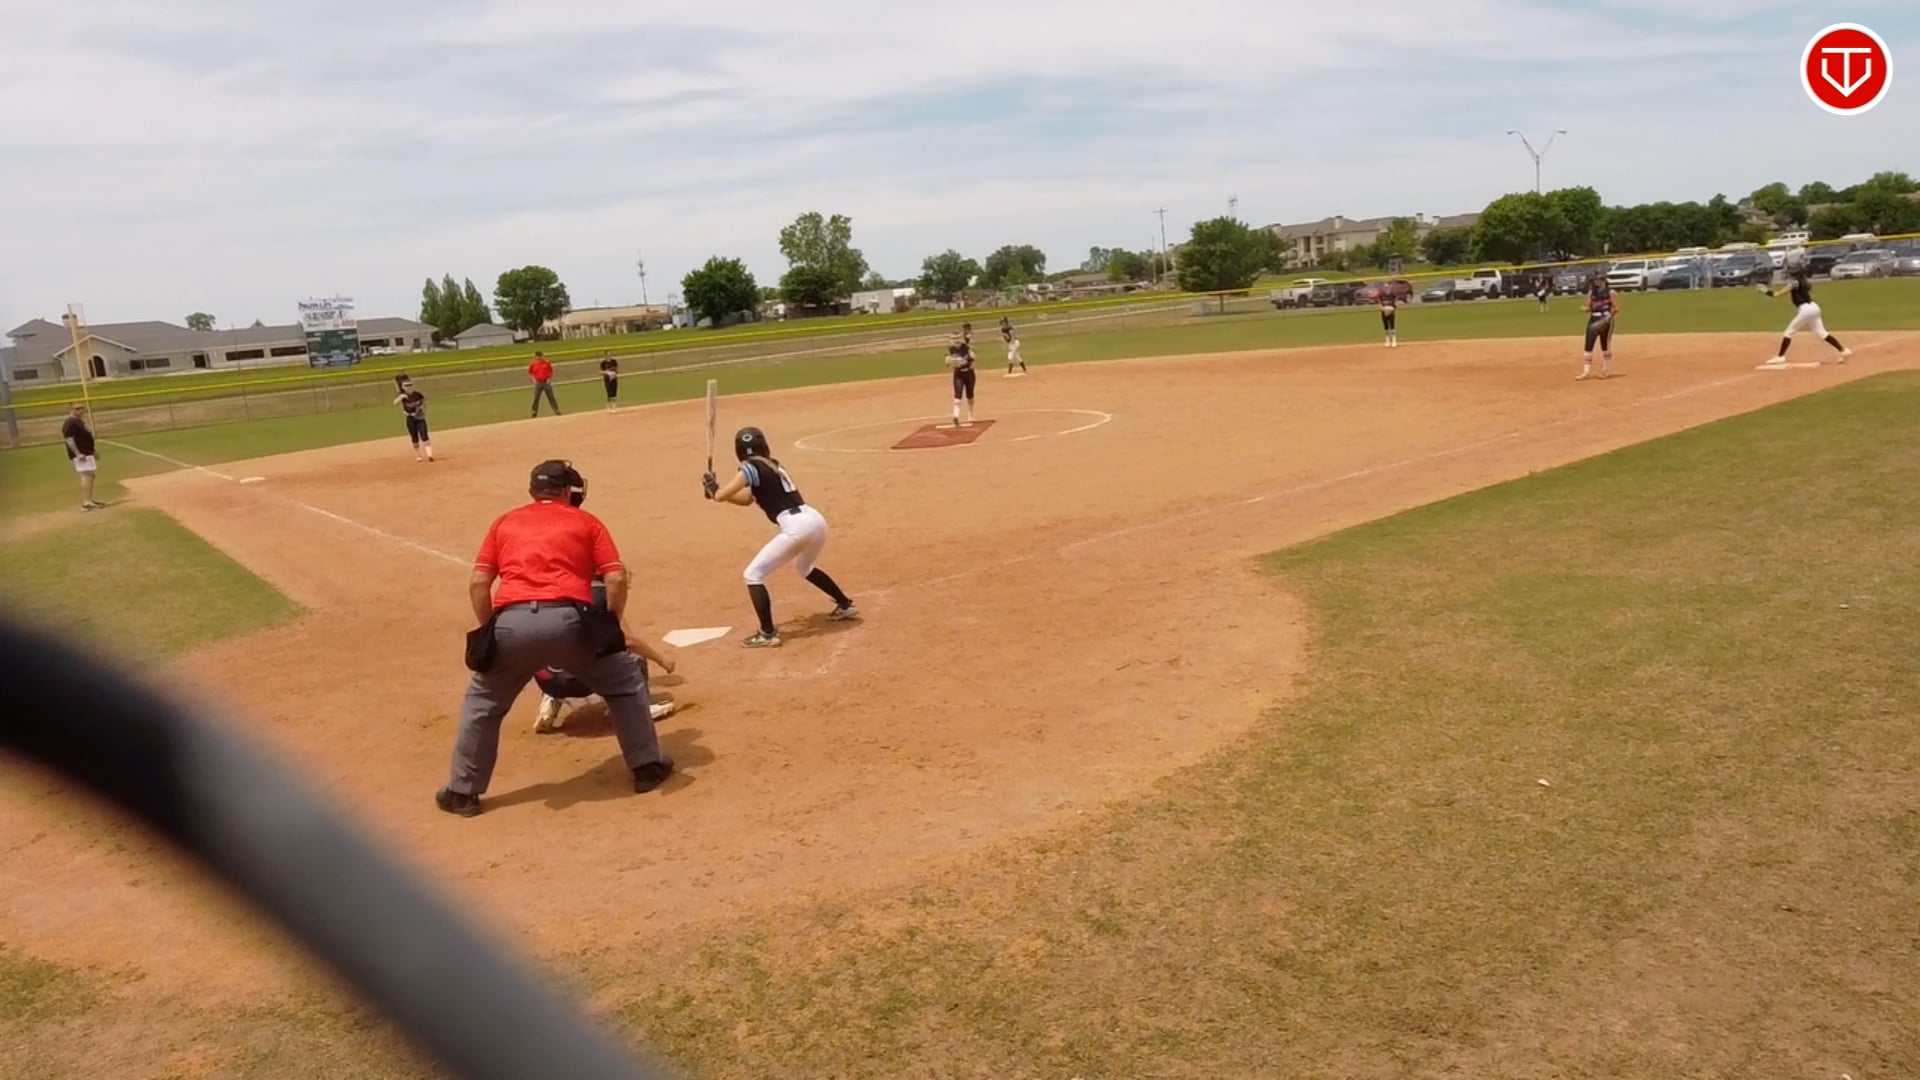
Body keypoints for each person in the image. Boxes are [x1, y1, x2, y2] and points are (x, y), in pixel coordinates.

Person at [437, 460, 673, 817]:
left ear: (533, 490)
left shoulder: (504, 522)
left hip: (511, 624)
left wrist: (491, 631)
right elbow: (615, 578)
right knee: (624, 684)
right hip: (569, 622)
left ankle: (462, 792)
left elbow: (479, 584)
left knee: (482, 703)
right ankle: (647, 768)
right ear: (566, 491)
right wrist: (608, 622)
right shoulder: (586, 521)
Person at [702, 426, 858, 649]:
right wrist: (716, 492)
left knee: (753, 575)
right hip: (815, 520)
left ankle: (767, 634)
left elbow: (722, 494)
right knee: (804, 567)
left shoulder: (749, 467)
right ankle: (845, 605)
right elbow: (746, 499)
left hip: (797, 526)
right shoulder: (773, 465)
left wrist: (714, 490)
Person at [533, 582, 681, 732]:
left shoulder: (551, 593)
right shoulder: (599, 597)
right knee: (630, 654)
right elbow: (628, 641)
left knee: (556, 646)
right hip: (582, 681)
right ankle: (632, 710)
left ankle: (551, 699)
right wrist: (662, 661)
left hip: (547, 681)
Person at [1759, 260, 1851, 368]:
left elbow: (1777, 295)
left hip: (1805, 309)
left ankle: (1780, 357)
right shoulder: (1806, 282)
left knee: (1788, 332)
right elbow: (1806, 295)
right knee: (1822, 333)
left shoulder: (1794, 283)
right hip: (1814, 307)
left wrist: (1764, 291)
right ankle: (1843, 350)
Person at [1576, 272, 1619, 381]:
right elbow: (1589, 307)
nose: (1596, 282)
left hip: (1606, 319)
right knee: (1588, 344)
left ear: (1603, 280)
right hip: (1593, 319)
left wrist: (1608, 318)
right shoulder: (1592, 293)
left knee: (1605, 345)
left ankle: (1606, 371)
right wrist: (1586, 309)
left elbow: (1616, 308)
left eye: (1598, 280)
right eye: (1595, 280)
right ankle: (1586, 372)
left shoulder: (1611, 292)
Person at [60, 403, 103, 512]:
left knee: (90, 475)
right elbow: (69, 439)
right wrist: (78, 453)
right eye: (78, 408)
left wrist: (93, 451)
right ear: (71, 410)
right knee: (87, 475)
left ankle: (89, 500)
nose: (81, 410)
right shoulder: (70, 423)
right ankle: (87, 503)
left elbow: (86, 437)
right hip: (81, 455)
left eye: (82, 408)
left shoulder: (79, 421)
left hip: (86, 452)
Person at [392, 374, 434, 462]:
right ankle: (418, 455)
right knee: (414, 438)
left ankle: (429, 455)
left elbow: (424, 401)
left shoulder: (417, 394)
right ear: (403, 387)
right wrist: (401, 397)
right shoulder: (403, 396)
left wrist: (424, 411)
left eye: (410, 385)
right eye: (406, 386)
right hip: (410, 418)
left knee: (424, 435)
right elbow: (395, 402)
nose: (409, 387)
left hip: (420, 417)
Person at [945, 335, 977, 427]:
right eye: (954, 338)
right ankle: (956, 416)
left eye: (957, 338)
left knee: (970, 394)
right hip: (958, 374)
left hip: (969, 373)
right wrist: (949, 361)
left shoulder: (966, 347)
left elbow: (973, 357)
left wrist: (967, 359)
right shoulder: (950, 349)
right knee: (957, 395)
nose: (956, 340)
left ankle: (970, 415)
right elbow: (947, 362)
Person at [528, 351, 560, 417]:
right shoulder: (533, 364)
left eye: (540, 356)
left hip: (546, 382)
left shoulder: (546, 363)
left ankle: (556, 410)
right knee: (536, 397)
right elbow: (530, 373)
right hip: (538, 382)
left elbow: (550, 371)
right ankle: (534, 412)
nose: (539, 357)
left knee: (551, 397)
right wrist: (534, 380)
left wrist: (549, 379)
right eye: (538, 356)